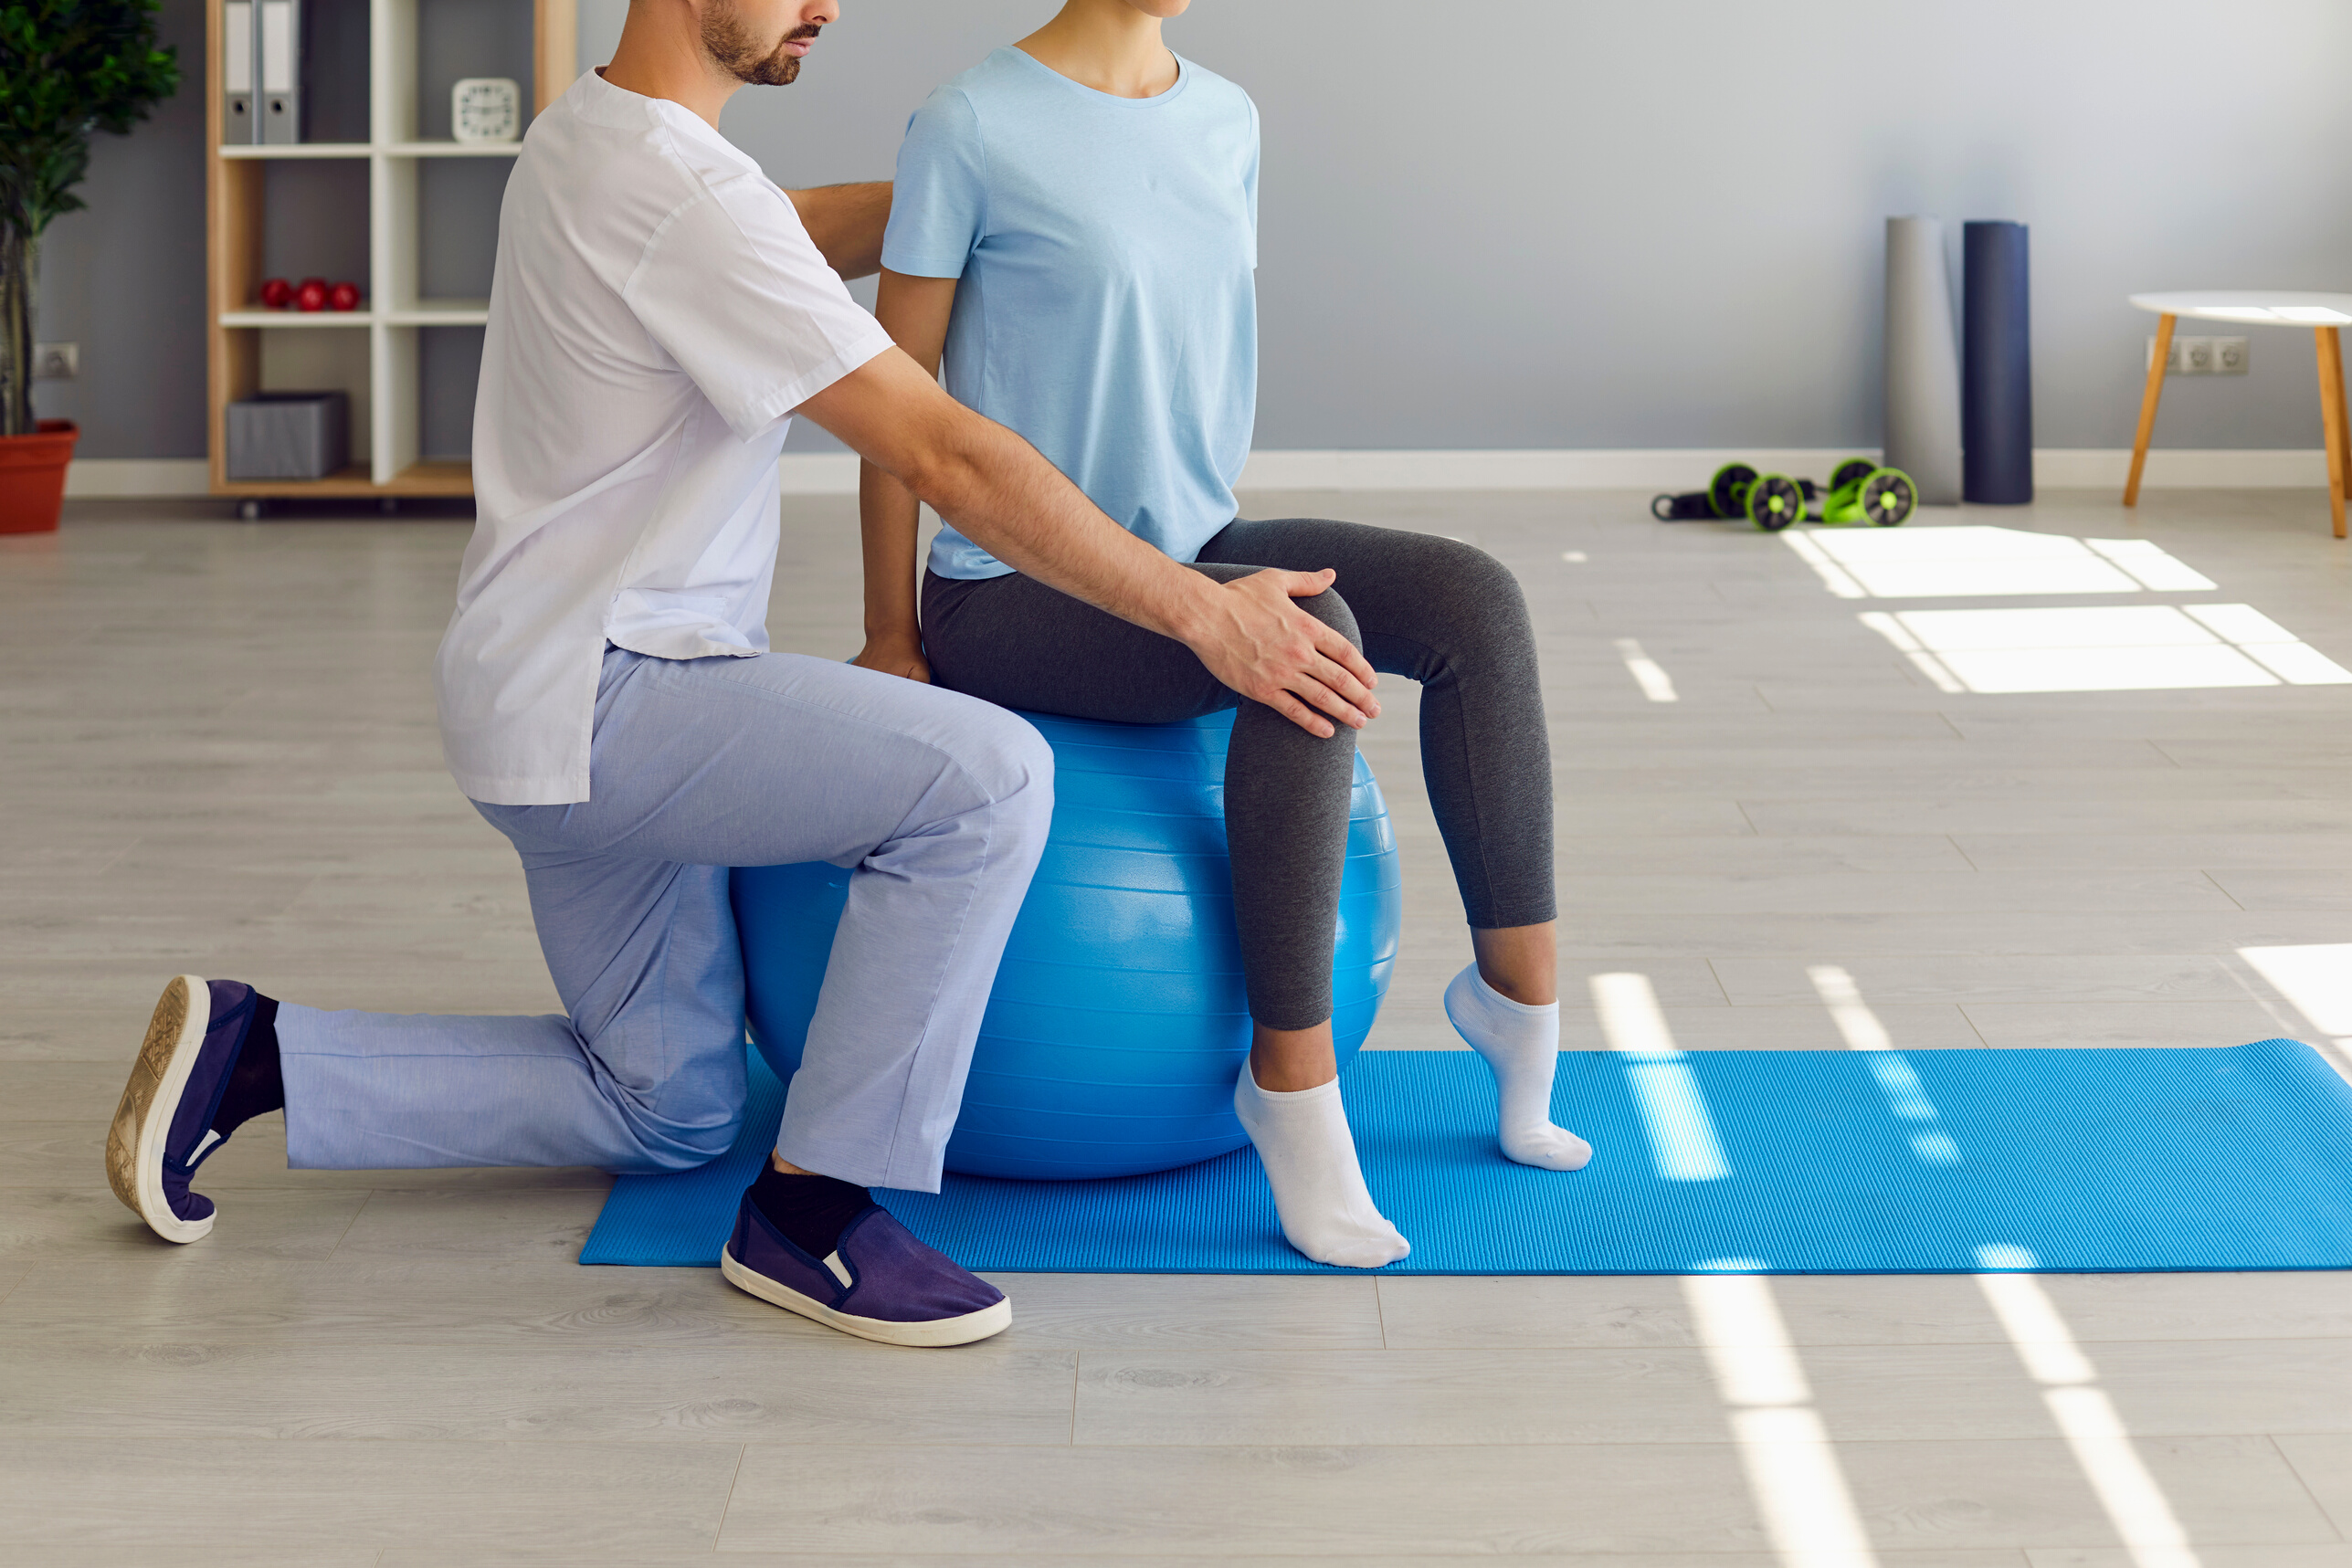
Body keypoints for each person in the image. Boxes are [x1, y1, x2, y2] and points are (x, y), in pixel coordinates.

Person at [103, 0, 1379, 1347]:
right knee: (987, 777)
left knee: (672, 1107)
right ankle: (815, 1214)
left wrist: (995, 186)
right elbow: (943, 455)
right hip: (622, 701)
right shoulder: (686, 191)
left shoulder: (596, 134)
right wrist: (1199, 611)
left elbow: (784, 228)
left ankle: (260, 1051)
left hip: (534, 699)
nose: (825, 3)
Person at [857, 0, 1589, 1269]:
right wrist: (889, 635)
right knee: (1310, 632)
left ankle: (1519, 1005)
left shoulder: (1227, 119)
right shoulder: (970, 122)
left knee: (1476, 598)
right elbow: (893, 408)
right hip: (1010, 591)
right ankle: (1291, 1087)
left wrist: (1206, 569)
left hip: (1190, 545)